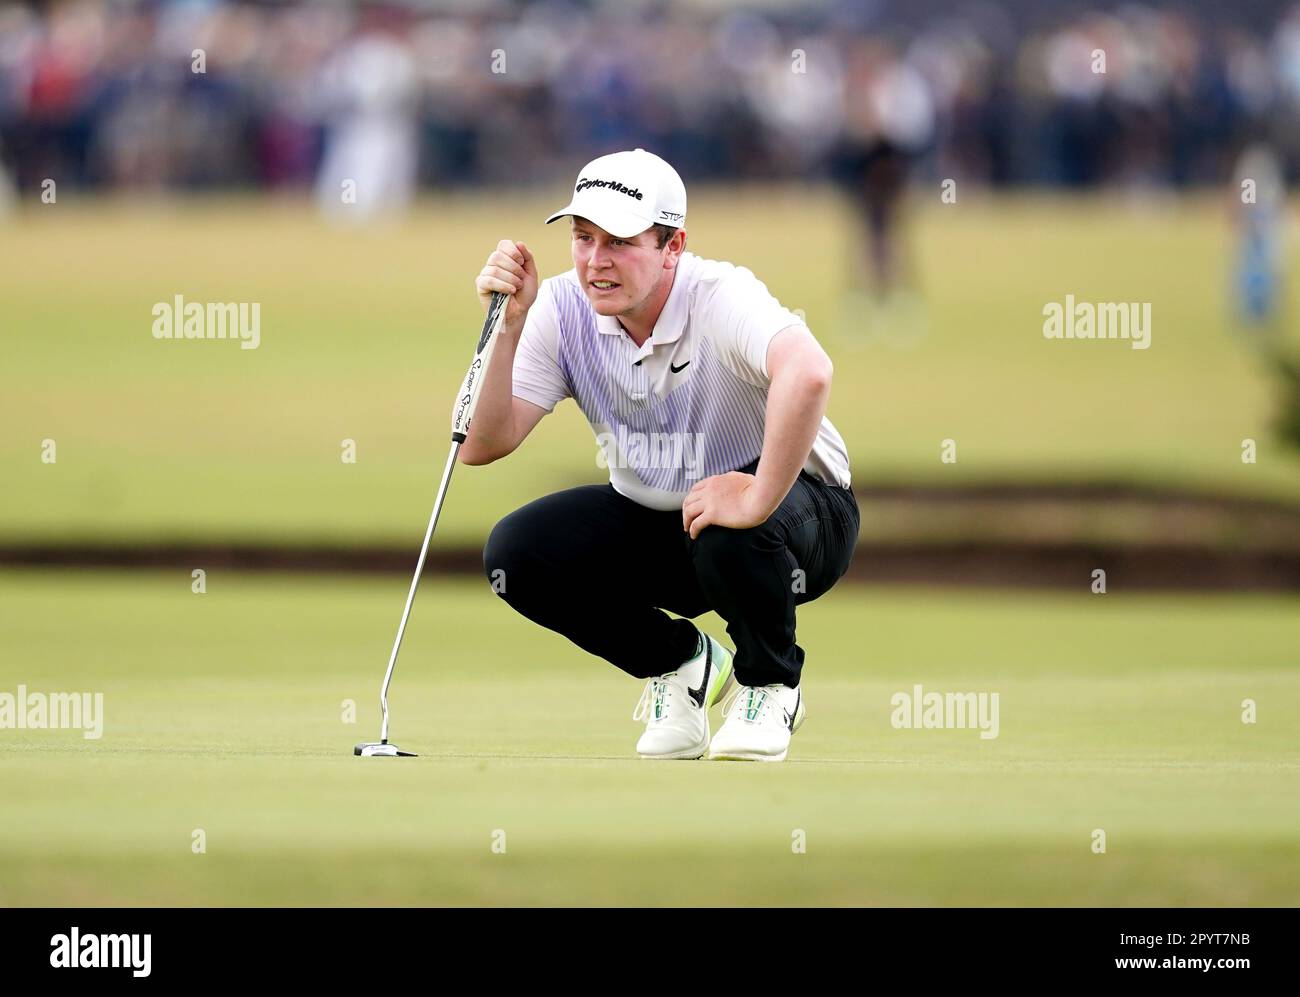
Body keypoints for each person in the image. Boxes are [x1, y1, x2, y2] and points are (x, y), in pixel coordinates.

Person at [464, 149, 858, 762]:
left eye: (620, 242)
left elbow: (808, 373)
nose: (597, 261)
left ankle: (770, 684)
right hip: (666, 522)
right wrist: (506, 329)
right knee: (516, 553)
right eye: (583, 238)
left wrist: (755, 495)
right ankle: (681, 665)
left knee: (726, 522)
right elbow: (485, 444)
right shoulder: (561, 307)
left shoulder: (721, 294)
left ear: (673, 245)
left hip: (805, 513)